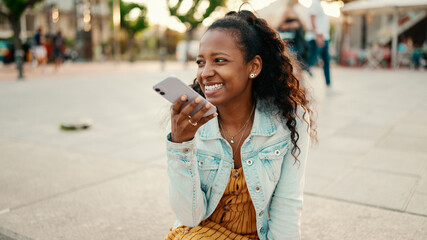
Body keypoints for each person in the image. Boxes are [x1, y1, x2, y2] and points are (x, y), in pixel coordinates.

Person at [163, 9, 315, 240]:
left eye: (220, 60)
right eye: (201, 62)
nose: (205, 73)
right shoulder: (188, 123)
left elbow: (288, 203)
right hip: (199, 233)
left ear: (253, 67)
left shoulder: (289, 118)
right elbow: (189, 217)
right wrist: (180, 146)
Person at [277, 0, 309, 75]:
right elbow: (280, 26)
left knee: (299, 66)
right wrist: (292, 25)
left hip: (298, 42)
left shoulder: (296, 11)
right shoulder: (286, 11)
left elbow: (302, 26)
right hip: (290, 43)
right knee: (291, 66)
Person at [306, 0, 331, 87]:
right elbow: (312, 20)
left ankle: (328, 84)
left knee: (326, 61)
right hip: (317, 38)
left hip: (323, 37)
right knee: (311, 61)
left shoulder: (319, 5)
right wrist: (317, 35)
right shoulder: (314, 4)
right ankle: (300, 81)